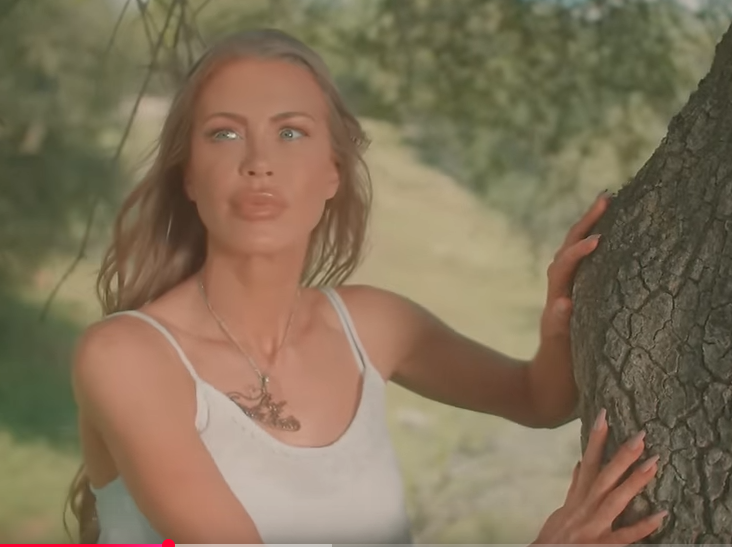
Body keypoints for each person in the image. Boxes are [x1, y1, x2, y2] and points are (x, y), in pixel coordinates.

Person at [65, 28, 667, 544]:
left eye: (291, 132)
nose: (258, 162)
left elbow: (539, 399)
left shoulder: (374, 327)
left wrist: (564, 314)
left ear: (333, 171)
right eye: (224, 133)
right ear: (189, 176)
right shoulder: (126, 357)